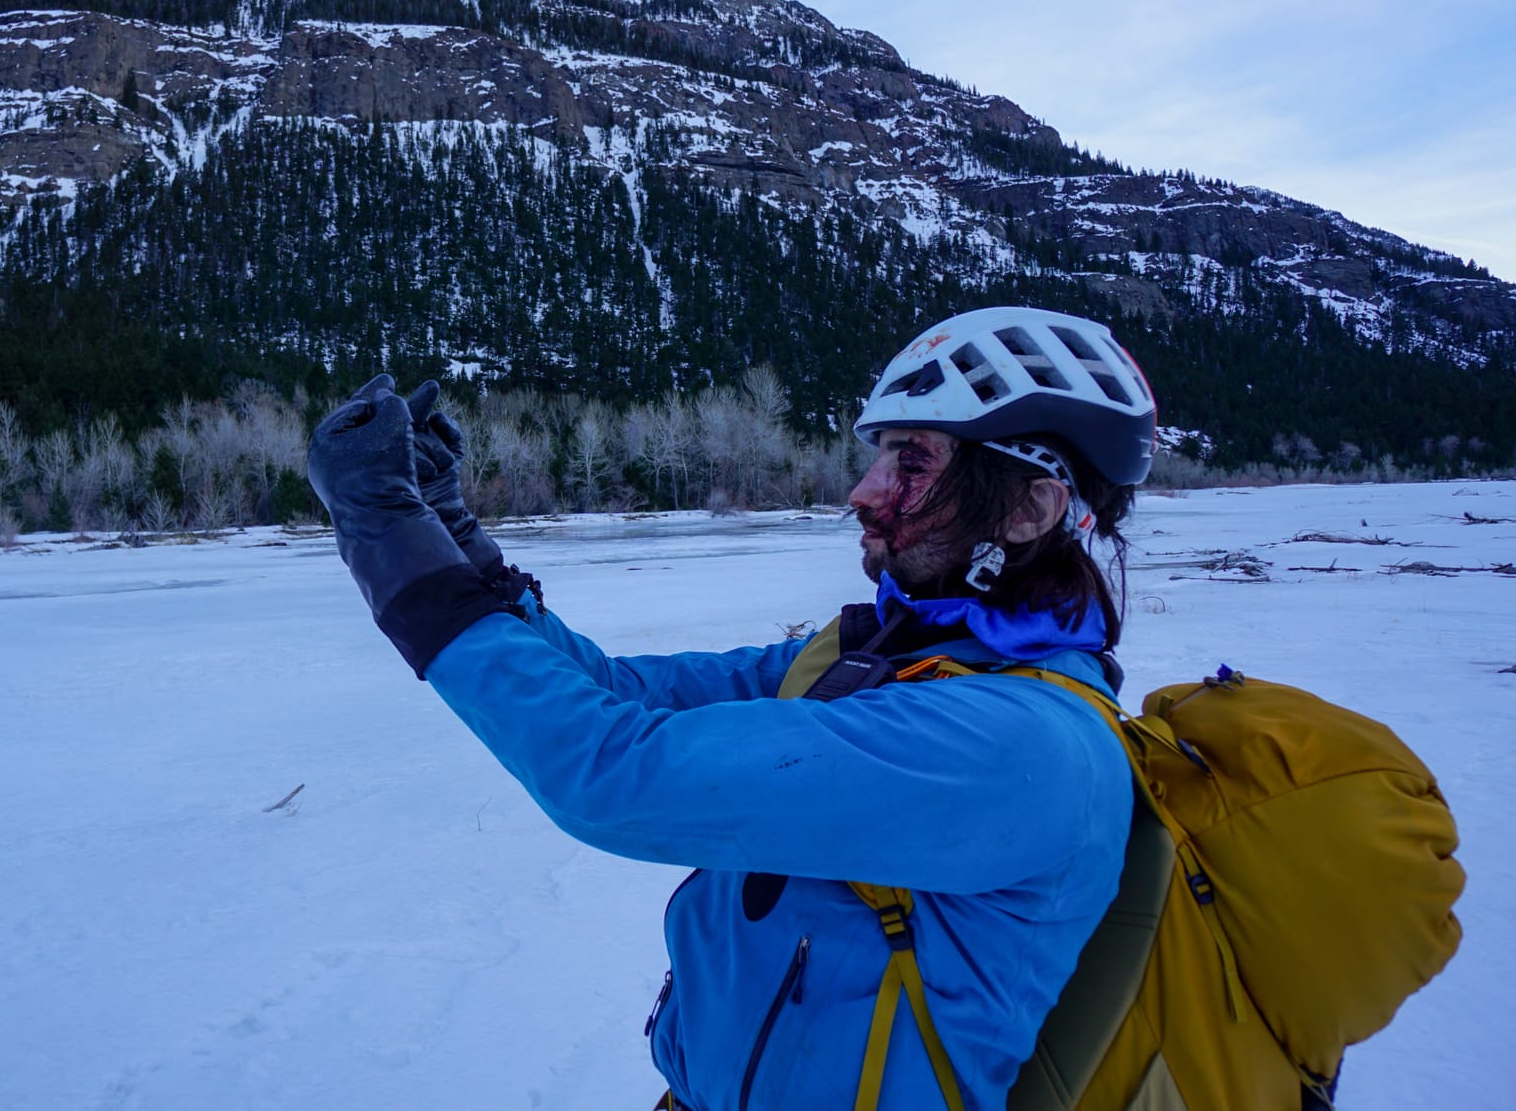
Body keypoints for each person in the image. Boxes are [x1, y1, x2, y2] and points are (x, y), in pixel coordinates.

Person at [306, 306, 1158, 1110]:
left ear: (1026, 507)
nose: (862, 492)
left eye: (911, 461)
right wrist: (449, 531)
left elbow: (619, 773)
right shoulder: (891, 662)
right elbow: (619, 694)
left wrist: (385, 533)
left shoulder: (1018, 746)